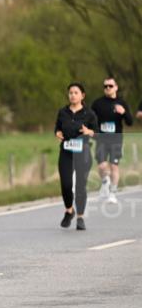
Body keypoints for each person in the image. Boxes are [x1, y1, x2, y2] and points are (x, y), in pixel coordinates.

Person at [55, 82, 98, 231]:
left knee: (80, 186)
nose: (72, 95)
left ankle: (80, 217)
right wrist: (58, 133)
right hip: (66, 152)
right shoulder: (62, 112)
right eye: (70, 93)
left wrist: (89, 132)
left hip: (83, 153)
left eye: (76, 92)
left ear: (82, 95)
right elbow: (57, 129)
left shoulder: (89, 114)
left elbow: (98, 135)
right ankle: (69, 210)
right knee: (66, 184)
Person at [90, 77, 133, 204]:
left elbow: (130, 122)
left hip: (116, 139)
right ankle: (105, 182)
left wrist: (123, 112)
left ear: (116, 87)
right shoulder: (97, 103)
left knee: (114, 166)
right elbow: (90, 119)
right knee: (102, 165)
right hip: (102, 139)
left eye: (110, 86)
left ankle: (113, 193)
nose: (108, 88)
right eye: (105, 86)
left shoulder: (121, 103)